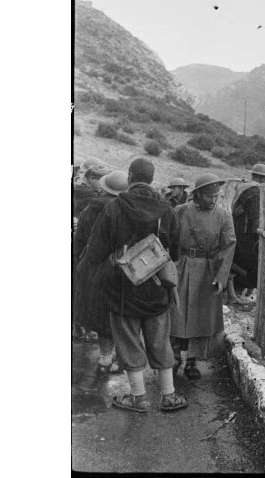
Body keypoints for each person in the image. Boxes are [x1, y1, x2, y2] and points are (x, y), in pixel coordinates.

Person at [85, 158, 187, 412]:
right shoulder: (166, 210)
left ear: (130, 177)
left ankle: (138, 397)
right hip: (157, 288)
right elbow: (174, 252)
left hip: (122, 287)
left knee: (129, 340)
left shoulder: (115, 207)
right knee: (160, 340)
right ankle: (168, 395)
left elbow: (97, 250)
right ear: (151, 179)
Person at [170, 173, 236, 380]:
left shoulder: (223, 216)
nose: (213, 200)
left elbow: (229, 246)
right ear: (197, 194)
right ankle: (173, 358)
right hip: (180, 267)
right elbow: (168, 238)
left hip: (207, 271)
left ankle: (192, 361)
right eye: (209, 196)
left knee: (201, 318)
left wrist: (221, 276)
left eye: (216, 196)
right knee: (175, 314)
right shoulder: (180, 211)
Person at [73, 170, 129, 372]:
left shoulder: (92, 207)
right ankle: (109, 357)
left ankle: (106, 356)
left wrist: (80, 259)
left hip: (93, 265)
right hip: (118, 266)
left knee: (99, 312)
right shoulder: (124, 210)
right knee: (113, 313)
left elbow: (80, 239)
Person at [228, 163, 265, 303]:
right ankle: (238, 291)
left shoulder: (243, 187)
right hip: (247, 235)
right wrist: (259, 233)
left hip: (237, 230)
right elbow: (256, 216)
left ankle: (237, 290)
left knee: (238, 259)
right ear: (263, 178)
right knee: (249, 265)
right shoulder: (255, 191)